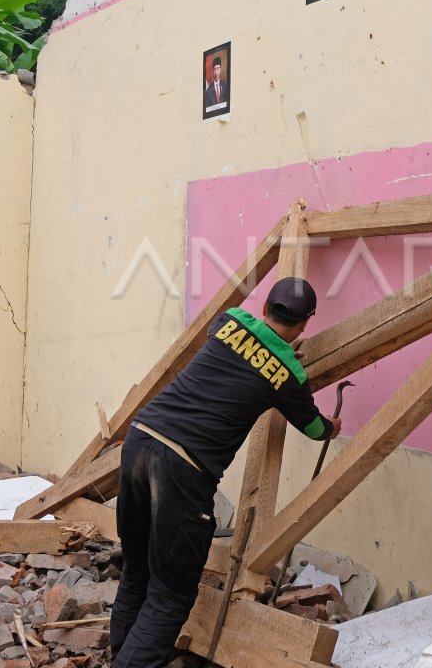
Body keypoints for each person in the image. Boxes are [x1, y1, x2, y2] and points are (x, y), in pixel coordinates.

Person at [109, 277, 341, 668]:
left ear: (265, 306)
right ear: (305, 324)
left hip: (140, 439)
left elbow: (246, 352)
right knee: (170, 595)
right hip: (181, 468)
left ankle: (120, 656)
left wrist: (276, 350)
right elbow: (316, 429)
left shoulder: (227, 321)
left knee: (138, 572)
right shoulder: (287, 375)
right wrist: (332, 425)